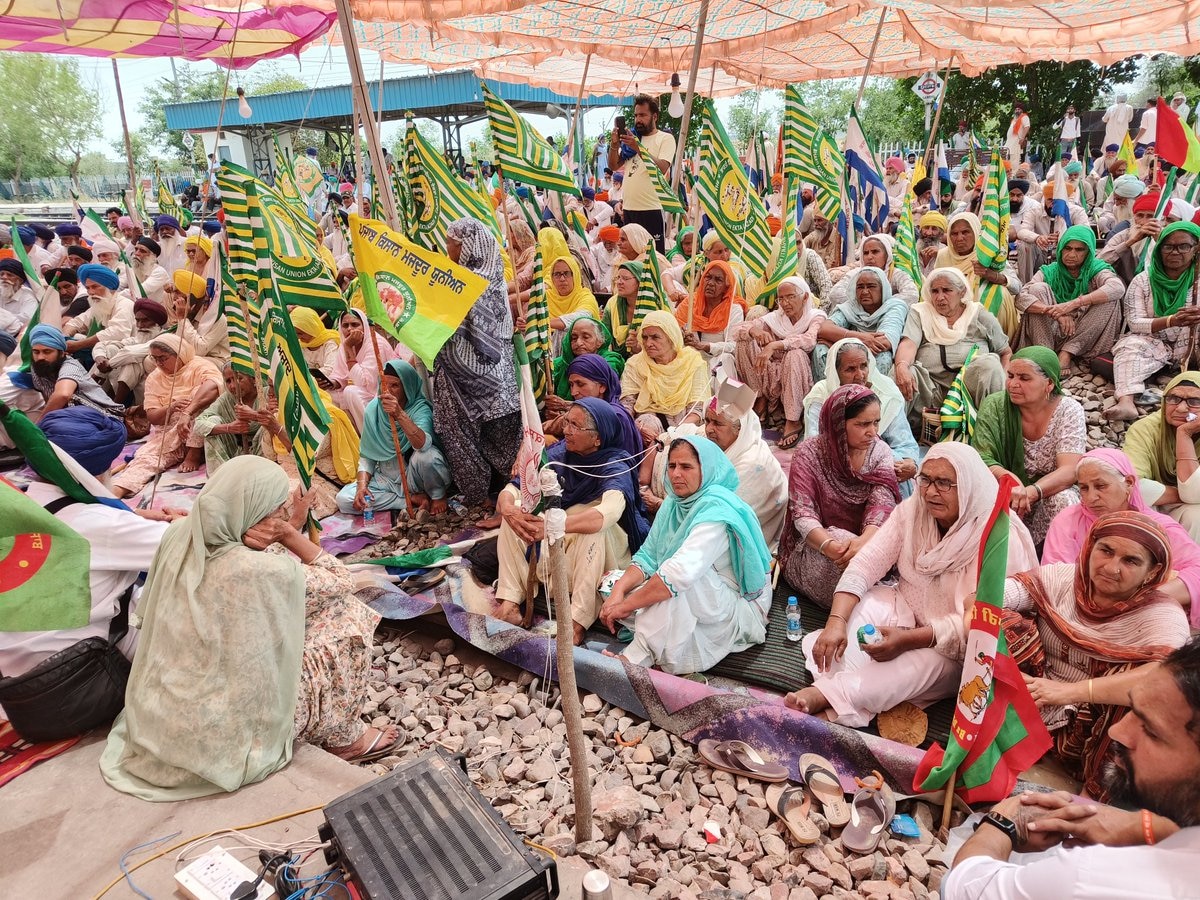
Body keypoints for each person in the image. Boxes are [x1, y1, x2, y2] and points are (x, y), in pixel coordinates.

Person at [100, 458, 399, 801]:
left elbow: (243, 557)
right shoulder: (257, 569)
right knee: (349, 616)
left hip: (165, 714)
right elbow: (340, 580)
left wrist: (294, 522)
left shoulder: (178, 537)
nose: (279, 516)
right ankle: (346, 737)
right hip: (222, 736)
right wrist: (289, 533)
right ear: (257, 514)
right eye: (275, 510)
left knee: (300, 612)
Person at [786, 443, 1038, 726]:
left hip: (954, 647)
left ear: (969, 486)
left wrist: (908, 641)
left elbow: (983, 624)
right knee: (857, 620)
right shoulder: (913, 510)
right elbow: (867, 562)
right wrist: (836, 621)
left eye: (944, 483)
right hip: (902, 606)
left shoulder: (999, 538)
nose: (930, 492)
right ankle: (849, 696)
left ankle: (828, 695)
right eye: (926, 479)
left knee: (911, 670)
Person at [942, 638, 1200, 900]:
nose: (1117, 732)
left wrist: (1001, 823)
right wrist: (1143, 827)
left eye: (1151, 732)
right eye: (1132, 709)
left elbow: (964, 887)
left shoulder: (1096, 877)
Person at [1002, 512, 1190, 801]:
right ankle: (1002, 738)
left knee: (1142, 695)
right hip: (1032, 706)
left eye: (1131, 561)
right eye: (1106, 551)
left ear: (1152, 573)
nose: (1112, 568)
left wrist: (1068, 692)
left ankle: (1092, 802)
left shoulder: (1161, 614)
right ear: (1090, 548)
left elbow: (1165, 681)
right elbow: (985, 599)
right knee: (997, 620)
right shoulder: (1061, 578)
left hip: (1094, 739)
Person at [598, 436, 772, 675]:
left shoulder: (716, 511)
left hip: (735, 603)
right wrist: (618, 594)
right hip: (696, 592)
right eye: (672, 466)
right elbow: (647, 556)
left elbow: (679, 573)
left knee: (673, 583)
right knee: (609, 583)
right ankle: (658, 632)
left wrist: (625, 606)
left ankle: (634, 658)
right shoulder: (673, 503)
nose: (676, 474)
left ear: (706, 470)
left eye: (687, 467)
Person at [494, 397, 648, 643]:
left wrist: (552, 526)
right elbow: (515, 487)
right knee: (517, 512)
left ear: (597, 438)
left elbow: (608, 512)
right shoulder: (558, 454)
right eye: (567, 423)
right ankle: (510, 602)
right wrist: (507, 509)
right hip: (559, 544)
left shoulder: (616, 463)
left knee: (594, 528)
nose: (566, 430)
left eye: (575, 426)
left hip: (599, 553)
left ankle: (576, 622)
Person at [1044, 448, 1200, 626]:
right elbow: (1054, 577)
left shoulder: (1158, 527)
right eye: (1084, 488)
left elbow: (1197, 571)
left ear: (1129, 483)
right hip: (1077, 616)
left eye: (1101, 486)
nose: (1091, 497)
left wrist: (1144, 602)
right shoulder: (1068, 520)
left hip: (1143, 618)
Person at [781, 384, 901, 607]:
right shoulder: (809, 454)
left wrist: (864, 543)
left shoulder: (880, 451)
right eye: (862, 424)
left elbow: (882, 505)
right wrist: (831, 547)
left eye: (876, 422)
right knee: (856, 575)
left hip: (868, 541)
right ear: (838, 423)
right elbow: (803, 514)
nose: (872, 432)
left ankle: (865, 604)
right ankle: (864, 606)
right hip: (818, 546)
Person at [434, 218, 521, 509]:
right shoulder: (488, 276)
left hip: (475, 374)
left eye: (452, 243)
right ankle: (489, 495)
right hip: (493, 373)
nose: (448, 248)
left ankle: (505, 493)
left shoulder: (465, 283)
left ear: (469, 246)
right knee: (481, 433)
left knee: (486, 432)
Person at [971, 347, 1085, 545]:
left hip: (1045, 494)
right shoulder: (995, 406)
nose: (1013, 384)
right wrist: (1007, 477)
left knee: (1065, 499)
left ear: (1049, 383)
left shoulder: (1069, 410)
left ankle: (1057, 564)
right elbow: (980, 457)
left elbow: (1070, 469)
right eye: (1011, 376)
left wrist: (1032, 492)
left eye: (1024, 378)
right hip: (1006, 494)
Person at [893, 267, 1011, 425]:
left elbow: (1005, 352)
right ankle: (896, 437)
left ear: (961, 292)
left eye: (947, 290)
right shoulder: (921, 312)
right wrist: (901, 367)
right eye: (935, 291)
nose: (940, 297)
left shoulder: (977, 314)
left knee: (990, 364)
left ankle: (990, 432)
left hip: (970, 392)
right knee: (900, 374)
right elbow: (909, 344)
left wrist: (1002, 383)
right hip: (931, 389)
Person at [1107, 221, 1200, 421]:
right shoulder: (1143, 280)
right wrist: (1171, 320)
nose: (1175, 252)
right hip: (1155, 342)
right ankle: (1126, 401)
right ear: (1159, 249)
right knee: (1129, 345)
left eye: (1183, 246)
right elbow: (1135, 323)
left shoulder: (1198, 279)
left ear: (1195, 249)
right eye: (1168, 246)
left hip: (1193, 343)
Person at [336, 359, 453, 518]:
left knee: (428, 457)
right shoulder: (373, 410)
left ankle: (437, 495)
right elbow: (367, 457)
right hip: (386, 480)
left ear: (407, 388)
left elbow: (423, 446)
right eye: (384, 385)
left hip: (414, 476)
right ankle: (409, 500)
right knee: (345, 499)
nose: (388, 392)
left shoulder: (420, 409)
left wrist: (399, 414)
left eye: (395, 386)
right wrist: (361, 487)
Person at [803, 338, 920, 495]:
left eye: (864, 366)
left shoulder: (885, 391)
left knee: (895, 468)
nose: (860, 375)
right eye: (850, 369)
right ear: (836, 372)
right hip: (834, 466)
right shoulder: (822, 394)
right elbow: (815, 443)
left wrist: (909, 463)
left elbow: (903, 441)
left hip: (879, 463)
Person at [111, 335, 223, 497]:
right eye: (155, 359)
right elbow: (153, 417)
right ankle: (116, 492)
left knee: (194, 398)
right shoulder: (154, 378)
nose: (159, 364)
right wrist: (170, 408)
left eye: (163, 358)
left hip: (204, 433)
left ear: (179, 354)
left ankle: (194, 453)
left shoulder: (200, 366)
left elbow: (213, 386)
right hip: (171, 434)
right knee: (146, 459)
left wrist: (187, 411)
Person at [731, 276, 826, 449]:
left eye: (790, 297)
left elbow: (809, 340)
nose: (785, 303)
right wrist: (754, 331)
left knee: (795, 354)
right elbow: (736, 330)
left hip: (796, 376)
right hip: (770, 375)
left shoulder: (815, 317)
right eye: (781, 298)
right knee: (744, 341)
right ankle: (759, 398)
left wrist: (776, 345)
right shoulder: (775, 318)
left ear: (805, 297)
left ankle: (793, 419)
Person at [1016, 225, 1124, 375]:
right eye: (1067, 248)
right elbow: (1021, 298)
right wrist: (1056, 313)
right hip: (1051, 329)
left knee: (1109, 299)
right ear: (1060, 249)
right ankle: (1046, 354)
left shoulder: (1096, 268)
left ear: (1089, 252)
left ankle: (1067, 354)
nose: (1071, 254)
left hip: (1084, 332)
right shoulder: (1050, 270)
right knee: (1037, 289)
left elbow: (1117, 288)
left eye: (1079, 250)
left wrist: (1072, 304)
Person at [0, 324, 125, 449]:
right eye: (36, 352)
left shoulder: (70, 366)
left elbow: (62, 394)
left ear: (62, 353)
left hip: (108, 422)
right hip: (72, 420)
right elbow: (49, 400)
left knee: (53, 433)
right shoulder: (39, 368)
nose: (40, 357)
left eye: (47, 351)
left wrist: (37, 426)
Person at [695, 387, 789, 548]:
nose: (709, 429)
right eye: (707, 421)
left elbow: (720, 518)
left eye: (717, 423)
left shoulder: (753, 465)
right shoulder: (720, 444)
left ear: (740, 429)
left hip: (741, 544)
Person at [1124, 371, 1200, 541]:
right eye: (1173, 399)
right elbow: (1132, 486)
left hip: (1191, 508)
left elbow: (1194, 493)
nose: (1181, 408)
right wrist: (1181, 494)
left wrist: (1184, 435)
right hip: (1153, 507)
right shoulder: (1144, 430)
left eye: (1194, 402)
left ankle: (1191, 566)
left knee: (1197, 516)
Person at [620, 310, 710, 446]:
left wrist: (674, 434)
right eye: (644, 337)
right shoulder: (635, 364)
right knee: (647, 424)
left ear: (671, 337)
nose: (648, 343)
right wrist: (634, 426)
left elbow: (697, 410)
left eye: (655, 337)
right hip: (650, 422)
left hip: (685, 423)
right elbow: (627, 404)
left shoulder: (692, 361)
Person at [932, 212, 1021, 339]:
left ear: (976, 232)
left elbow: (1017, 287)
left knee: (998, 292)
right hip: (951, 308)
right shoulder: (943, 256)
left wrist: (993, 276)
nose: (959, 238)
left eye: (965, 232)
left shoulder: (989, 254)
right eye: (954, 233)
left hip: (983, 310)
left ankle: (995, 342)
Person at [607, 94, 677, 252]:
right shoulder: (632, 138)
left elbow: (662, 168)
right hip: (629, 210)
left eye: (643, 115)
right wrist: (614, 145)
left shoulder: (665, 139)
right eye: (636, 115)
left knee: (652, 259)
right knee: (630, 257)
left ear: (655, 117)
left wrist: (638, 147)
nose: (638, 119)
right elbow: (613, 166)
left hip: (650, 209)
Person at [813, 266, 908, 375]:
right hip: (848, 354)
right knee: (820, 349)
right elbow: (824, 329)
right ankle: (832, 391)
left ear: (883, 289)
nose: (865, 291)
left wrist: (836, 343)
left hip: (869, 356)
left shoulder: (894, 307)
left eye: (871, 286)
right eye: (860, 287)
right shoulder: (850, 307)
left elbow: (883, 342)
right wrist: (862, 338)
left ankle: (870, 392)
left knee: (883, 357)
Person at [326, 308, 399, 433]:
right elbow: (340, 375)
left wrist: (348, 348)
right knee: (328, 395)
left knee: (351, 392)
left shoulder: (376, 344)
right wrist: (332, 383)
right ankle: (350, 436)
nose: (349, 329)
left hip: (383, 393)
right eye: (345, 325)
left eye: (355, 324)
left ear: (364, 325)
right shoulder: (346, 344)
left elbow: (364, 382)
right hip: (366, 393)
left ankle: (370, 436)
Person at [675, 260, 746, 381]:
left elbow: (734, 346)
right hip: (691, 358)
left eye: (718, 280)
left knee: (726, 359)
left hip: (717, 359)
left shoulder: (733, 309)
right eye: (708, 277)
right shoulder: (690, 302)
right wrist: (682, 337)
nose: (711, 283)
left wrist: (705, 346)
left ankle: (721, 400)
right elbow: (673, 332)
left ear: (726, 287)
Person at [93, 298, 169, 405]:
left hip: (160, 381)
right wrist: (99, 357)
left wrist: (105, 368)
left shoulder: (165, 337)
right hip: (130, 383)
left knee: (133, 362)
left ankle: (116, 404)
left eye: (145, 320)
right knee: (111, 349)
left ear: (157, 323)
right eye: (137, 320)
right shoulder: (137, 339)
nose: (140, 325)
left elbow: (131, 353)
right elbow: (102, 344)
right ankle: (92, 393)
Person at [547, 317, 625, 413]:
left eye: (586, 337)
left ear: (600, 341)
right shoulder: (559, 364)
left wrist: (565, 406)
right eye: (574, 338)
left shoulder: (610, 361)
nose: (579, 343)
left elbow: (605, 398)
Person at [825, 234, 920, 308]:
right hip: (857, 317)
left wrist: (879, 304)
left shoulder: (896, 274)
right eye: (866, 253)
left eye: (875, 252)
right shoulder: (855, 273)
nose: (869, 257)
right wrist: (865, 305)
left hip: (887, 316)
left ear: (887, 254)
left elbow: (912, 295)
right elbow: (835, 294)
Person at [602, 259, 644, 358]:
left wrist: (639, 348)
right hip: (617, 359)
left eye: (625, 278)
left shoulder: (654, 306)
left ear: (640, 281)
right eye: (618, 278)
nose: (619, 282)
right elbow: (604, 337)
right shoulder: (613, 303)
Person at [289, 307, 341, 382]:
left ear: (311, 329)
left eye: (301, 333)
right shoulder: (300, 345)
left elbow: (330, 369)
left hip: (330, 386)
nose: (298, 337)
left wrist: (307, 377)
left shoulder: (329, 343)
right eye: (296, 333)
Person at [0, 257, 37, 337]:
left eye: (9, 275)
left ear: (20, 281)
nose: (4, 277)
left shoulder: (28, 297)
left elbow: (28, 321)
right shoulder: (1, 291)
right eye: (1, 274)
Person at [917, 211, 948, 276]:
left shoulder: (946, 251)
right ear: (920, 230)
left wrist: (940, 255)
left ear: (941, 234)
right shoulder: (911, 249)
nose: (929, 233)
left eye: (934, 229)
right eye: (926, 228)